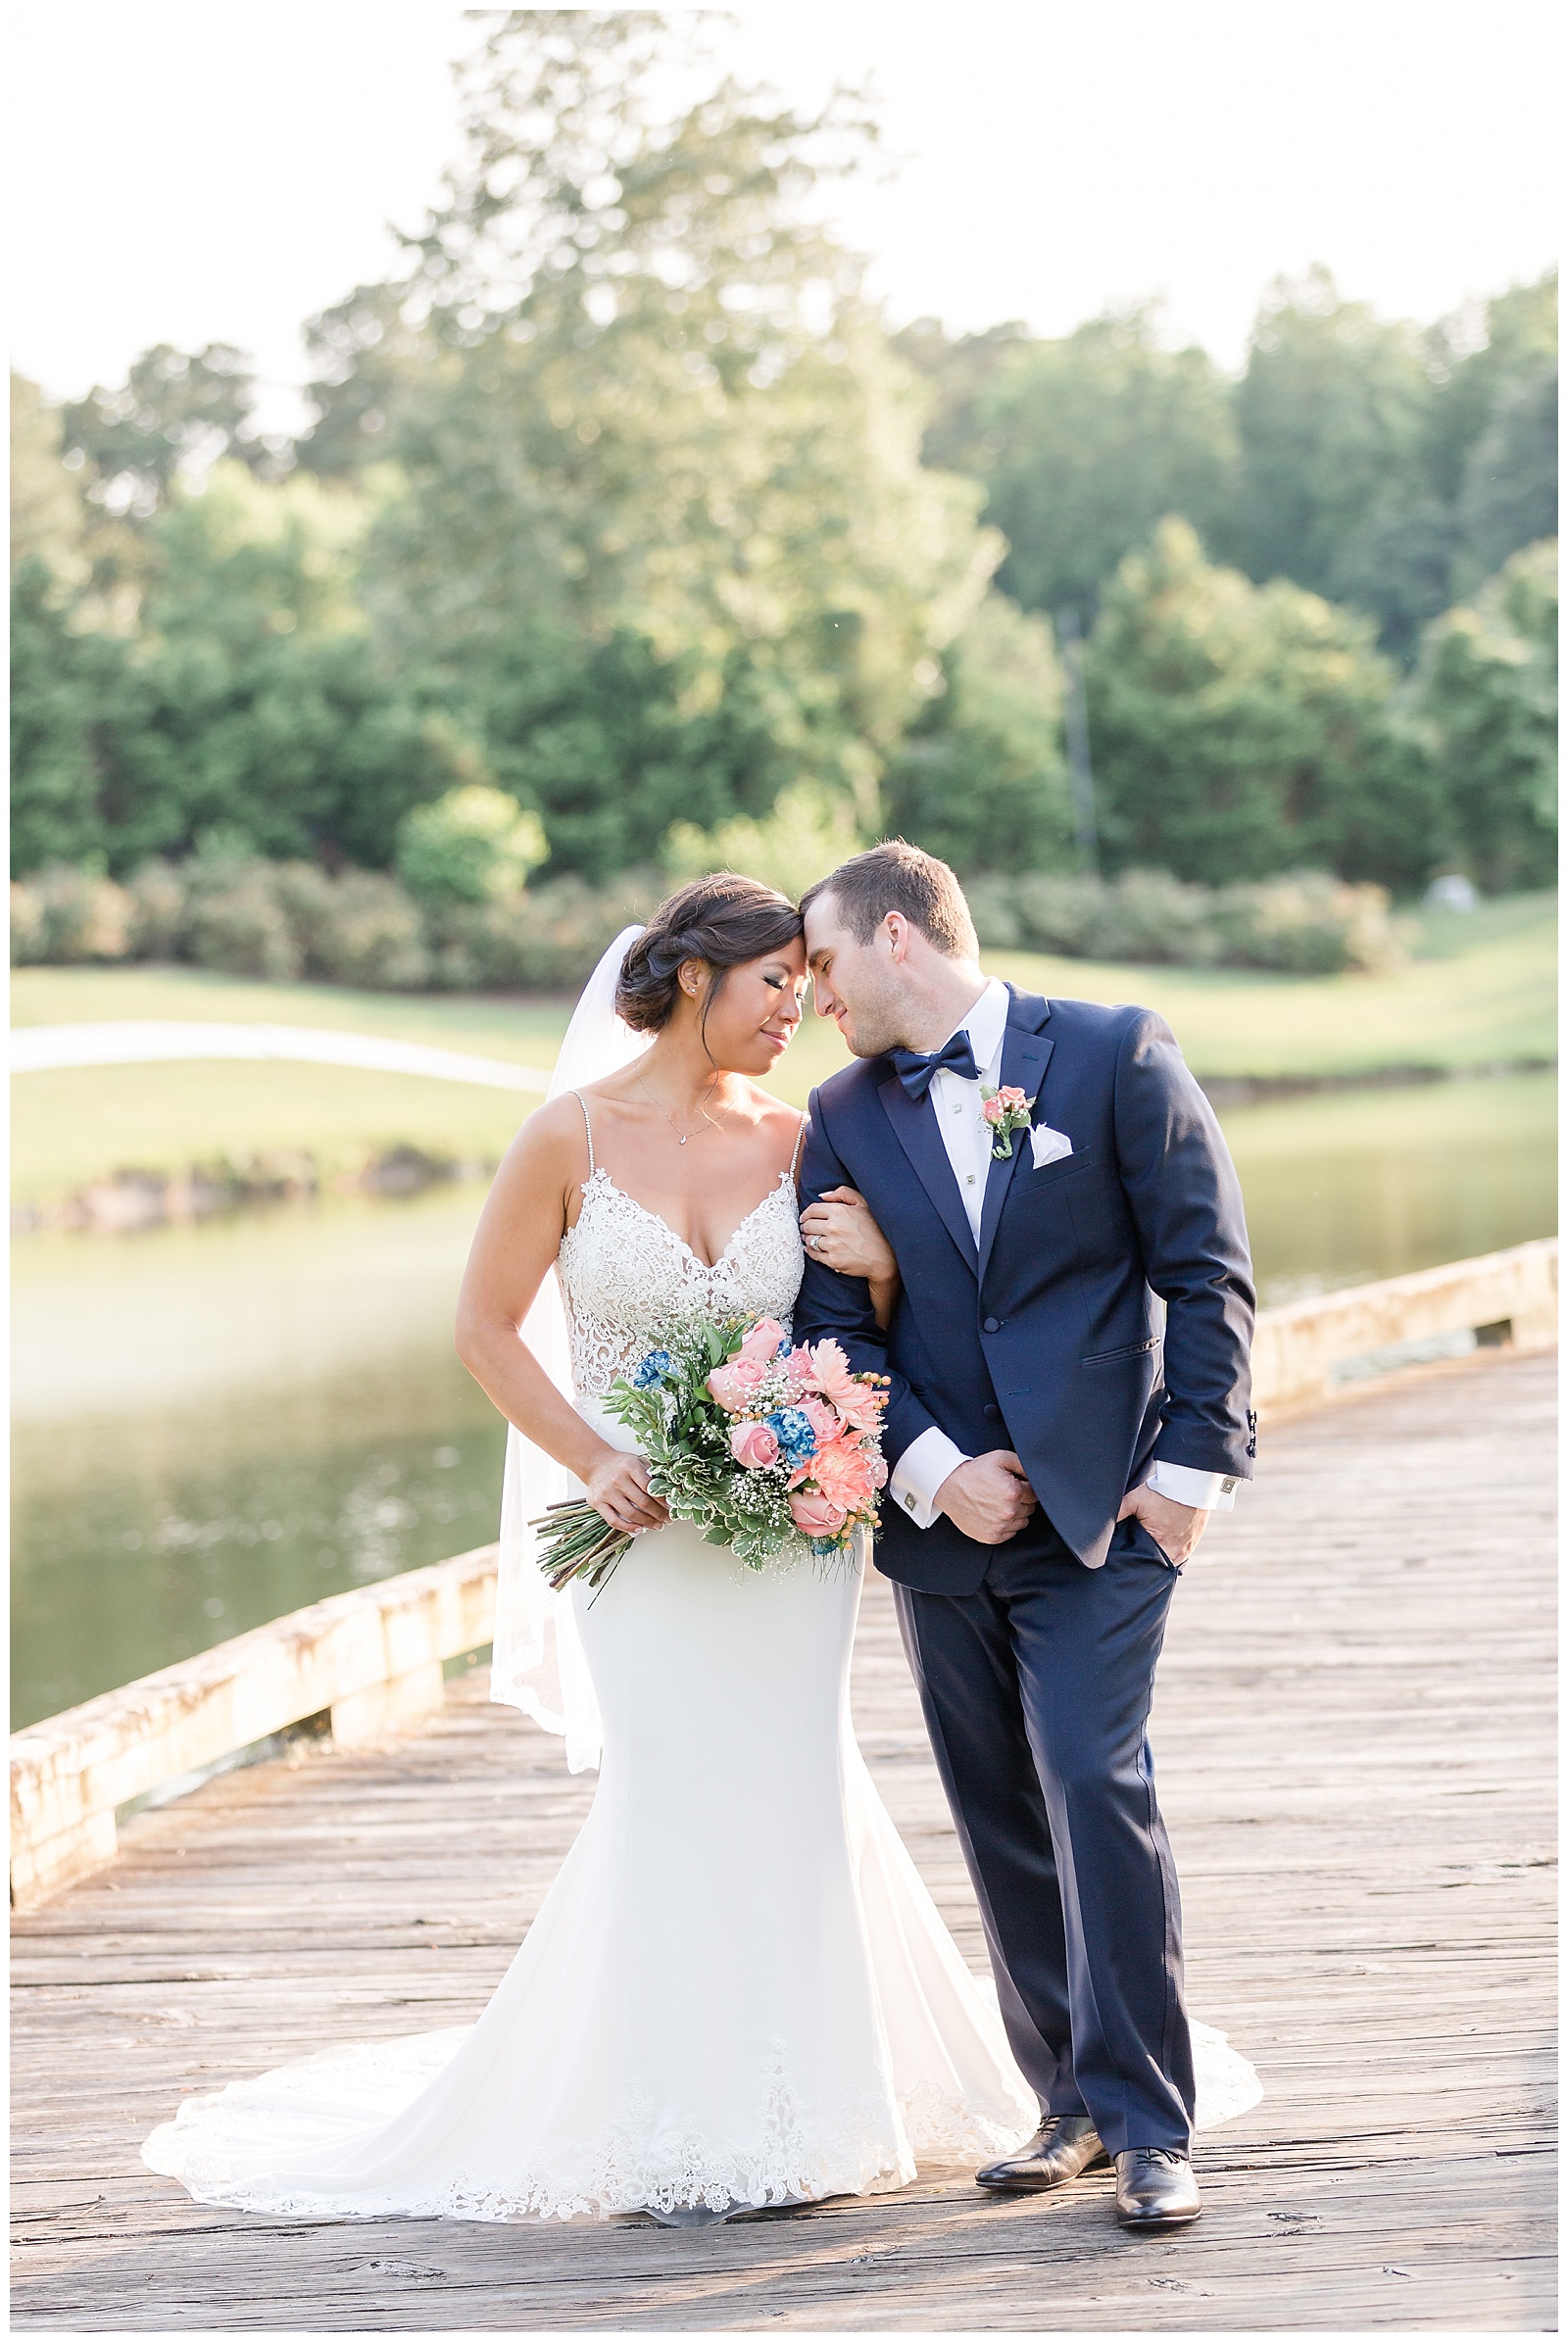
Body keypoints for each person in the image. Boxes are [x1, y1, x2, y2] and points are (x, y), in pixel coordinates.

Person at [140, 874, 1043, 2227]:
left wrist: (892, 1270)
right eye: (775, 982)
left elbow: (877, 1329)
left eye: (809, 981)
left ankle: (819, 2103)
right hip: (635, 1534)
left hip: (789, 1528)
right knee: (672, 1778)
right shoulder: (566, 1136)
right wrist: (592, 1456)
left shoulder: (810, 1137)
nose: (802, 1005)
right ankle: (675, 2105)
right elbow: (487, 1329)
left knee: (796, 1776)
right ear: (694, 979)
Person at [793, 841, 1258, 2232]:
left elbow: (1207, 1269)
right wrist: (933, 1471)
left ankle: (1150, 2119)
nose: (812, 993)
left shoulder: (1112, 1052)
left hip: (1104, 1514)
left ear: (895, 939)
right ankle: (1062, 2100)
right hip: (944, 1533)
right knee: (997, 1807)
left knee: (1088, 1771)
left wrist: (1186, 1476)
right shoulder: (840, 1111)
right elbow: (830, 1330)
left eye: (819, 960)